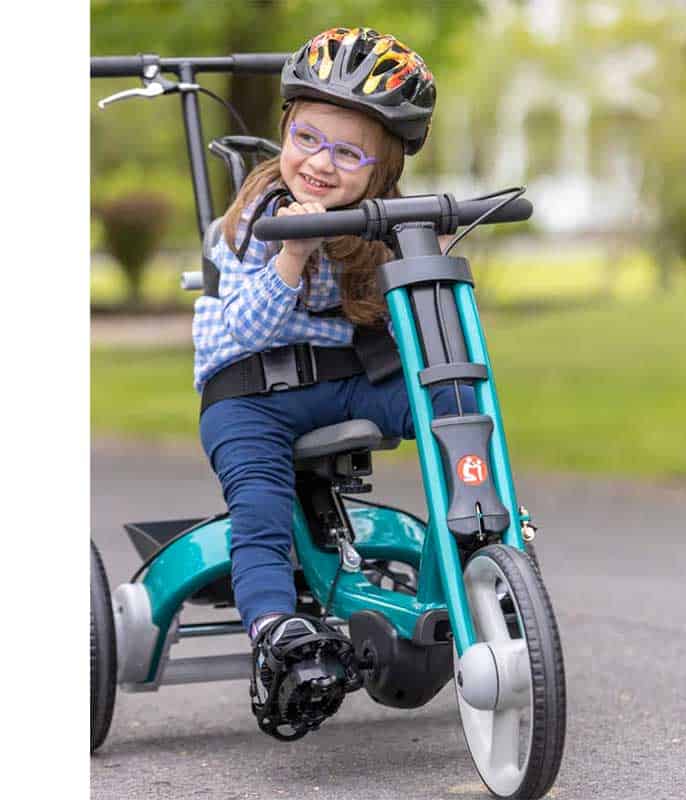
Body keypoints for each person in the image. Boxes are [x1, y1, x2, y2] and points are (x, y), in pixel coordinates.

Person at [192, 27, 475, 720]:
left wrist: (425, 260)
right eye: (308, 139)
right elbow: (246, 330)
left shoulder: (386, 222)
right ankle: (277, 631)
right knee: (260, 505)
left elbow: (411, 336)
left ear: (381, 171)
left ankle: (480, 530)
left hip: (347, 381)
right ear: (285, 131)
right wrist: (292, 254)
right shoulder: (249, 221)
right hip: (249, 392)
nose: (321, 163)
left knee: (451, 397)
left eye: (348, 153)